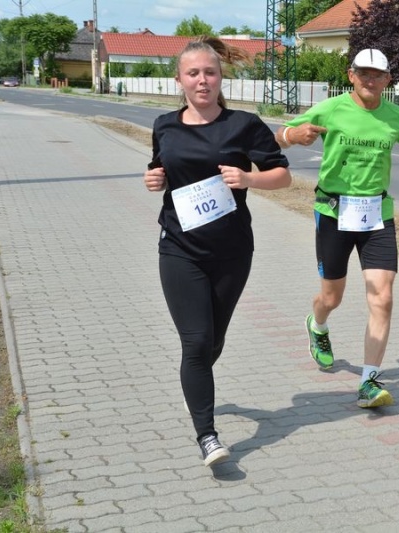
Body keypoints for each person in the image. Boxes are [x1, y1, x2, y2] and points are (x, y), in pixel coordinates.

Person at [143, 36, 291, 467]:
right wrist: (153, 180)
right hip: (179, 248)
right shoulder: (165, 125)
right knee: (196, 341)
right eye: (193, 73)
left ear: (220, 76)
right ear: (180, 80)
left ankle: (196, 382)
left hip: (231, 250)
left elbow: (282, 176)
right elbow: (160, 169)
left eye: (209, 72)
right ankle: (207, 435)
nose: (202, 80)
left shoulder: (243, 125)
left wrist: (249, 179)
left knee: (213, 341)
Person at [275, 49, 399, 409]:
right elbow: (280, 135)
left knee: (382, 297)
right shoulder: (331, 109)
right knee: (332, 297)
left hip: (376, 214)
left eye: (378, 74)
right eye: (363, 73)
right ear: (350, 75)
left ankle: (369, 381)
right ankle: (318, 324)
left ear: (388, 80)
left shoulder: (396, 116)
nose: (370, 80)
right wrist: (293, 134)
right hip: (333, 212)